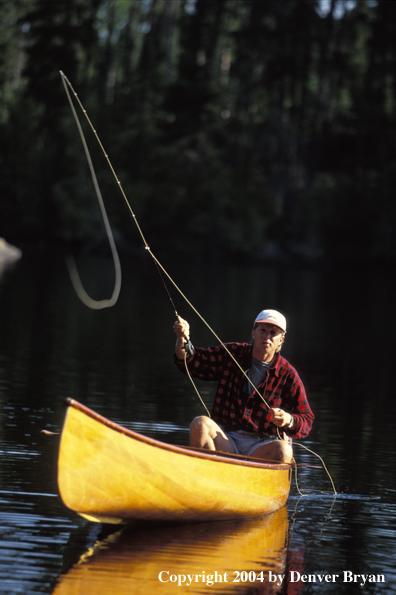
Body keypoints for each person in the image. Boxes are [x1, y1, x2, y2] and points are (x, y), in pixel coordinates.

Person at [173, 309, 314, 463]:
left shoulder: (288, 374)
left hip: (262, 446)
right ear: (253, 333)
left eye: (273, 333)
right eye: (262, 330)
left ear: (281, 340)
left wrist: (289, 419)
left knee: (284, 450)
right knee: (199, 424)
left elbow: (307, 420)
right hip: (226, 439)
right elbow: (191, 362)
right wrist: (182, 338)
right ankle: (204, 478)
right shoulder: (232, 353)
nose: (267, 336)